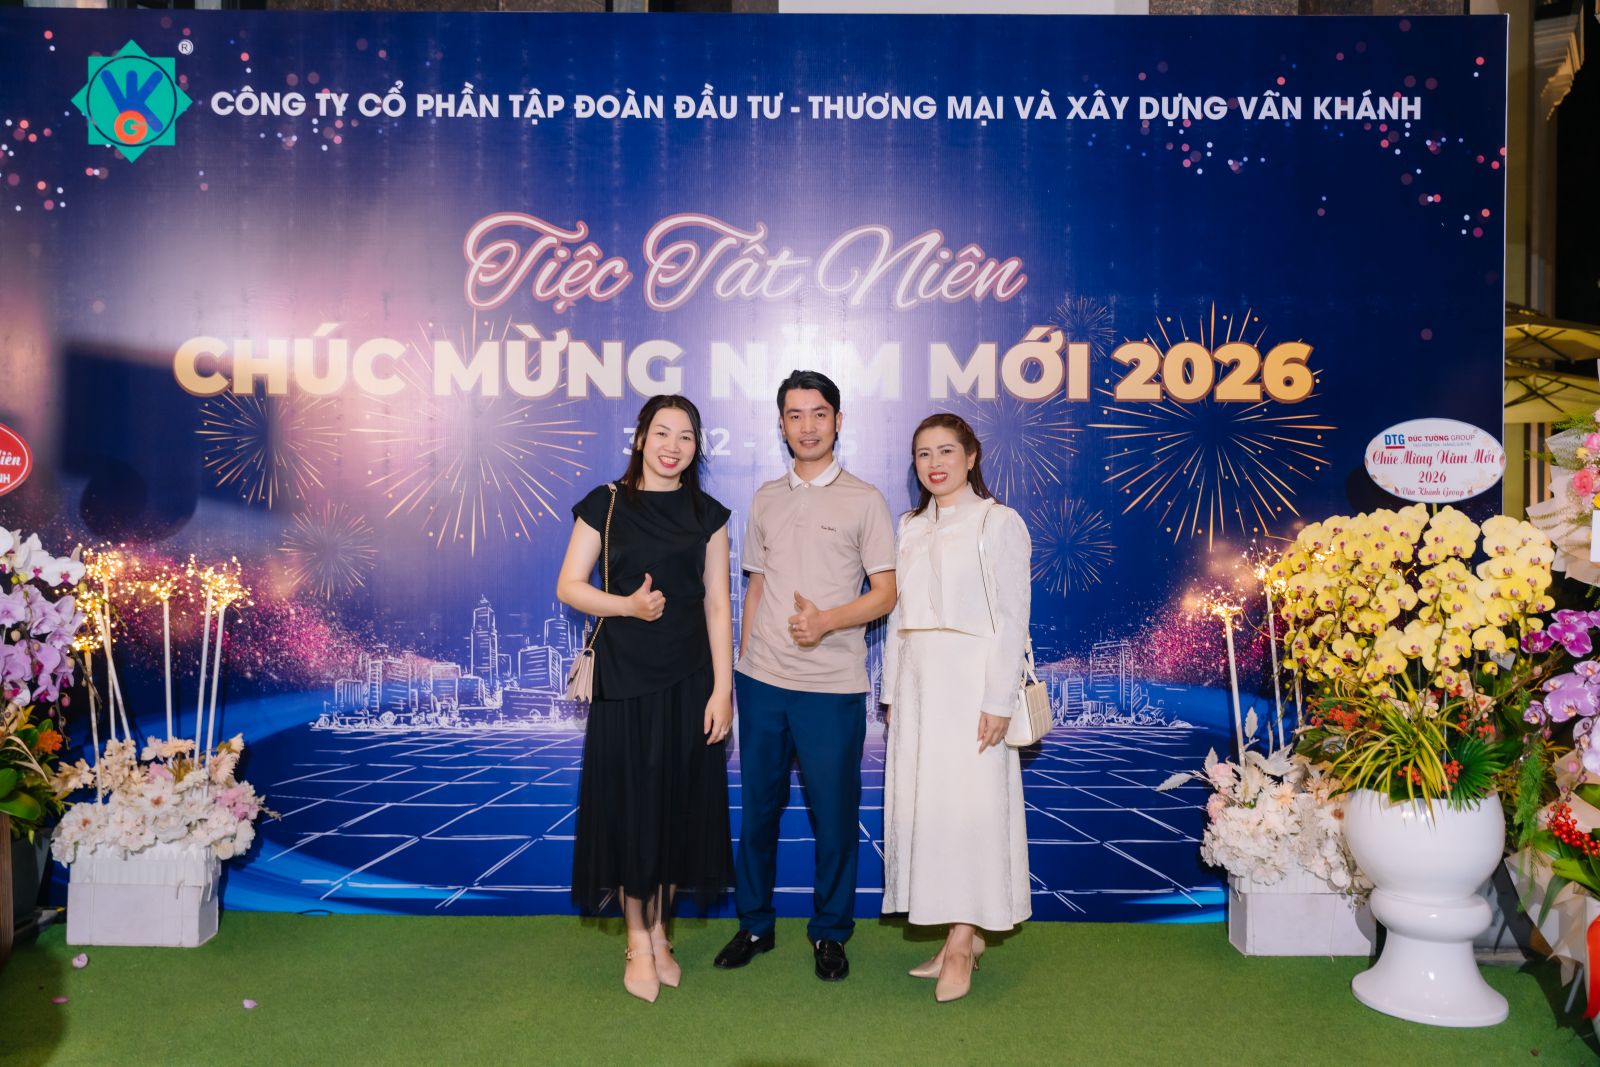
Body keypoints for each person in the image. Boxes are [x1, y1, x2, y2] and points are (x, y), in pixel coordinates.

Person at [714, 369, 897, 982]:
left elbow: (886, 593)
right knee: (758, 814)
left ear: (838, 421)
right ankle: (755, 924)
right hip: (762, 682)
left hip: (832, 687)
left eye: (819, 414)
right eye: (795, 415)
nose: (808, 426)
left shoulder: (865, 499)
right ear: (782, 424)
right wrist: (743, 667)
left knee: (835, 819)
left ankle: (831, 933)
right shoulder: (765, 497)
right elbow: (756, 586)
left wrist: (825, 622)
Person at [556, 394, 735, 1004]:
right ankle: (636, 939)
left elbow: (718, 605)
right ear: (640, 438)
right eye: (662, 432)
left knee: (677, 807)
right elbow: (570, 585)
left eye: (685, 436)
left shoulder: (708, 514)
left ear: (697, 447)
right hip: (625, 678)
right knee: (633, 808)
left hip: (690, 680)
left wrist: (723, 689)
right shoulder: (604, 504)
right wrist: (628, 606)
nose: (672, 446)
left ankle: (662, 933)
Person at [879, 413, 1032, 1003]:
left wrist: (997, 699)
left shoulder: (999, 522)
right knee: (929, 812)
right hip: (918, 686)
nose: (934, 463)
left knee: (972, 811)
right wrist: (892, 694)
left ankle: (965, 941)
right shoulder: (909, 525)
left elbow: (1013, 619)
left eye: (946, 451)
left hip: (973, 685)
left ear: (971, 457)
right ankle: (952, 936)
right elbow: (897, 616)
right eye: (923, 454)